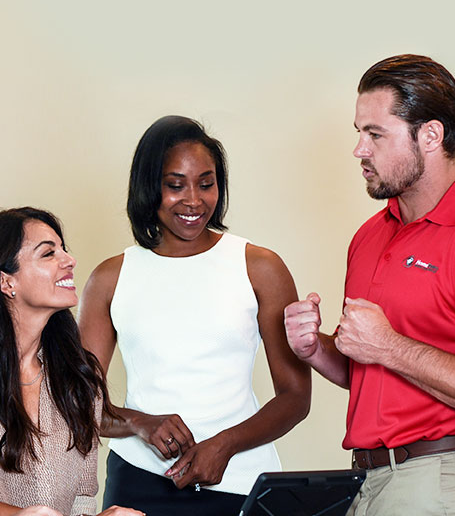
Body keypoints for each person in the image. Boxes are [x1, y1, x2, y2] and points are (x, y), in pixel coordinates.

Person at [284, 54, 455, 516]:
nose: (359, 150)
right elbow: (371, 375)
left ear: (430, 135)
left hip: (450, 482)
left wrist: (389, 345)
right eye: (358, 132)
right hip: (369, 483)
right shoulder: (369, 237)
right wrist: (316, 350)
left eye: (375, 133)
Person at [78, 116, 311, 516]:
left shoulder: (259, 266)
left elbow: (295, 397)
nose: (194, 200)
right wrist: (139, 423)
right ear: (149, 186)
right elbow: (79, 402)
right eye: (175, 185)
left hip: (240, 479)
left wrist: (225, 444)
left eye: (206, 183)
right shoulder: (110, 277)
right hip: (139, 480)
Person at [0, 207, 143, 516]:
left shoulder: (78, 372)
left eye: (64, 250)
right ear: (6, 282)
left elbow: (83, 498)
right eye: (49, 254)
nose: (69, 260)